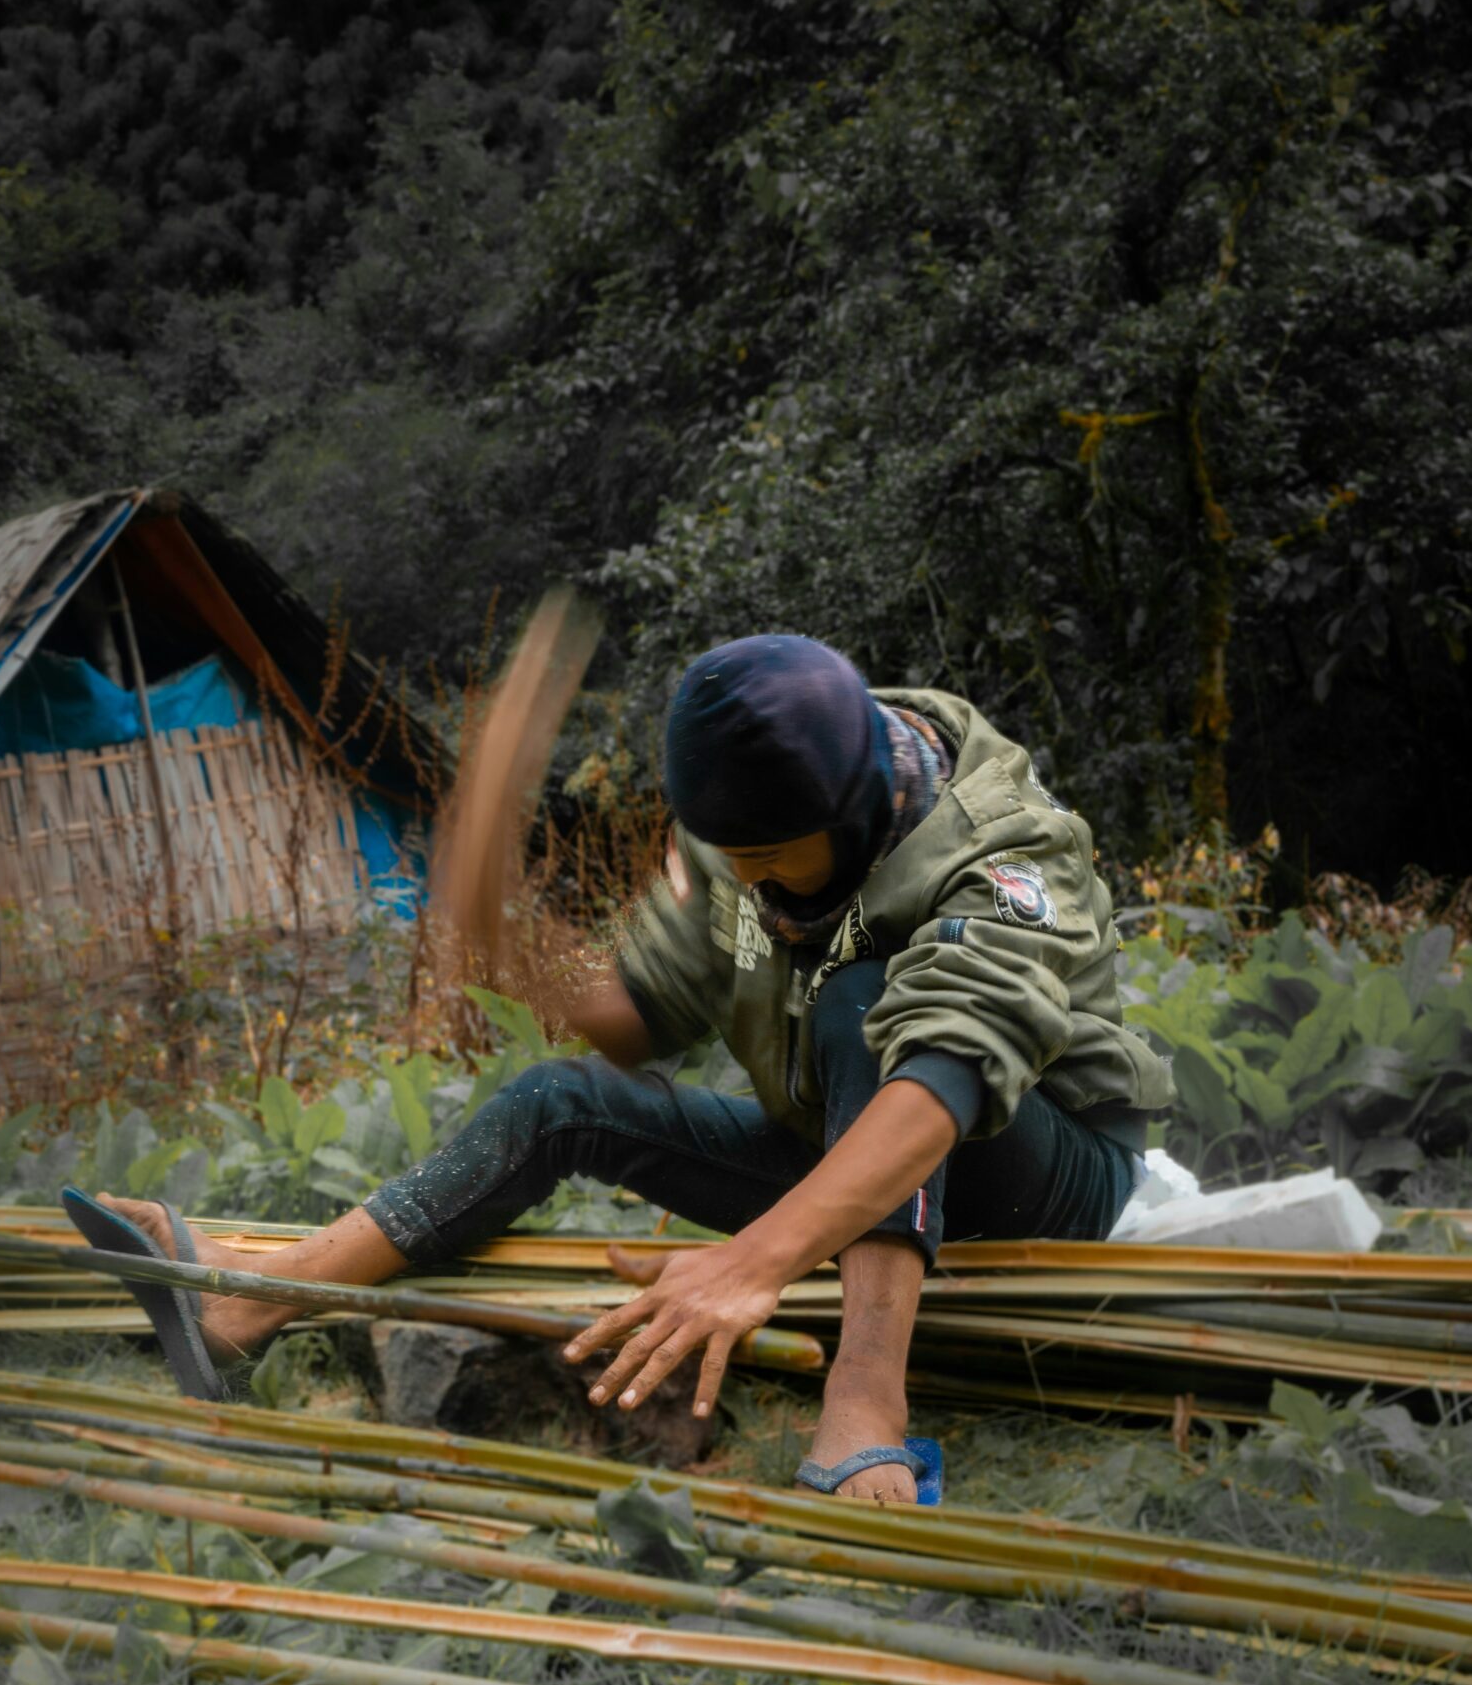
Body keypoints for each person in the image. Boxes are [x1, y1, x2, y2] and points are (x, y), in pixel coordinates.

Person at [74, 634, 1172, 1506]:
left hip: (1037, 1168)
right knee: (561, 1103)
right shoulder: (746, 839)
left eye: (765, 862)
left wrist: (751, 1263)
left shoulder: (1002, 858)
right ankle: (255, 1302)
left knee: (864, 1000)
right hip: (832, 1147)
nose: (745, 882)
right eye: (730, 862)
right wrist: (506, 941)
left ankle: (866, 1405)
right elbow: (637, 1019)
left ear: (848, 814)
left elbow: (941, 1083)